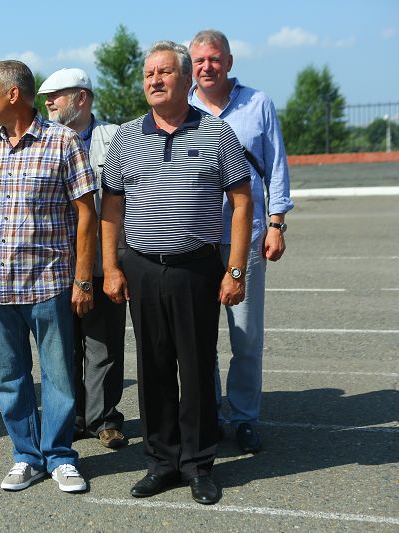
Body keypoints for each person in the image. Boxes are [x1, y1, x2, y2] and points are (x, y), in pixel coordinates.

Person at [101, 41, 253, 505]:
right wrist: (110, 267)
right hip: (143, 268)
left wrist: (235, 270)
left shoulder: (217, 133)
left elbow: (242, 202)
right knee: (153, 368)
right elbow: (111, 208)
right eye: (149, 73)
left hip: (197, 270)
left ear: (186, 80)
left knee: (197, 367)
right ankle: (162, 462)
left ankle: (198, 465)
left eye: (164, 72)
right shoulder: (126, 138)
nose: (154, 80)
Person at [0, 60, 97, 493]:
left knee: (58, 377)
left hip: (48, 284)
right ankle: (26, 456)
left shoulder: (63, 142)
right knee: (9, 379)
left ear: (13, 94)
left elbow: (87, 214)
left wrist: (82, 279)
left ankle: (59, 457)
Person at [189, 29, 293, 454]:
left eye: (214, 59)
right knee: (200, 338)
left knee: (246, 338)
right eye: (199, 60)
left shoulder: (258, 104)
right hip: (195, 242)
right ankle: (210, 415)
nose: (207, 67)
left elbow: (276, 166)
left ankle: (245, 418)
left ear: (229, 62)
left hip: (246, 240)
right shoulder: (182, 108)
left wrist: (276, 223)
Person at [37, 68, 127, 449]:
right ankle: (70, 418)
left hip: (104, 259)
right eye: (46, 96)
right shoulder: (43, 140)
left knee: (103, 343)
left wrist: (117, 262)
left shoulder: (116, 138)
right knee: (63, 347)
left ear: (82, 98)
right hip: (58, 262)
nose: (48, 102)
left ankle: (104, 419)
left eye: (57, 95)